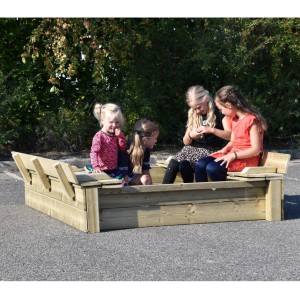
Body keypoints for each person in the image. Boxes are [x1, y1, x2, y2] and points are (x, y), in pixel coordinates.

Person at [194, 85, 267, 182]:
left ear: (228, 105)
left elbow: (256, 150)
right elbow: (233, 141)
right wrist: (224, 150)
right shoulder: (234, 119)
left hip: (247, 159)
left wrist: (233, 156)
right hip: (234, 154)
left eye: (221, 109)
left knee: (213, 168)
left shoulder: (251, 120)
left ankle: (223, 194)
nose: (222, 113)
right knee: (201, 164)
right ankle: (202, 195)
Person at [162, 85, 231, 184]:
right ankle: (163, 193)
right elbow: (185, 142)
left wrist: (211, 130)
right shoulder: (194, 113)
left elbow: (229, 135)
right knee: (174, 163)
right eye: (195, 109)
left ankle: (192, 192)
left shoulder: (219, 112)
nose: (198, 111)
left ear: (206, 99)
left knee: (185, 165)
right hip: (191, 148)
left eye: (199, 107)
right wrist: (191, 135)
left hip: (210, 149)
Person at [89, 102, 128, 183]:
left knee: (123, 182)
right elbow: (94, 152)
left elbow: (123, 148)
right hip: (102, 170)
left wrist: (120, 137)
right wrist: (96, 166)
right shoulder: (99, 136)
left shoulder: (117, 135)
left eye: (117, 122)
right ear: (102, 120)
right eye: (111, 122)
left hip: (114, 168)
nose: (114, 125)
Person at [127, 119, 159, 185]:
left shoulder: (146, 150)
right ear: (146, 139)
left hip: (131, 177)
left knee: (146, 179)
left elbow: (146, 171)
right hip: (120, 178)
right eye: (155, 138)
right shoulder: (128, 148)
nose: (156, 141)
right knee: (145, 179)